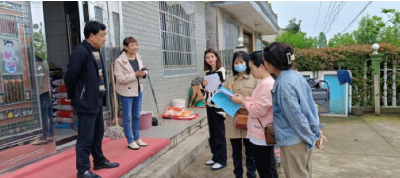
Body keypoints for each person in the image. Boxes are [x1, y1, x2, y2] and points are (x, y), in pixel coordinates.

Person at [262, 42, 327, 178]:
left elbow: (296, 118)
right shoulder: (296, 76)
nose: (264, 63)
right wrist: (315, 133)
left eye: (265, 61)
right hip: (303, 138)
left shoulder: (283, 83)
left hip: (294, 141)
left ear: (272, 63)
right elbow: (310, 108)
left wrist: (312, 136)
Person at [64, 21, 119, 178]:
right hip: (86, 102)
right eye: (102, 36)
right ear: (91, 36)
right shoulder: (80, 52)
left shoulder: (95, 51)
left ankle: (99, 160)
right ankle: (83, 170)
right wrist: (76, 97)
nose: (104, 39)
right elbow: (70, 78)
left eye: (105, 36)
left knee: (97, 134)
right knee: (85, 137)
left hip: (96, 100)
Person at [231, 51, 278, 178]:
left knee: (265, 170)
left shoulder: (267, 84)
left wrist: (242, 102)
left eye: (251, 68)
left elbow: (258, 110)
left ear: (261, 67)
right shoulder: (265, 82)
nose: (250, 71)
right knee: (269, 167)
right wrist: (246, 99)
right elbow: (259, 102)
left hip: (262, 134)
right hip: (263, 132)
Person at [223, 51, 257, 178]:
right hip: (233, 119)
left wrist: (243, 101)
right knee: (236, 152)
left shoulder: (255, 79)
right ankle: (238, 175)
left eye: (241, 62)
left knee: (251, 152)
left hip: (249, 119)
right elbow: (224, 98)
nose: (239, 65)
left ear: (247, 63)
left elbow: (259, 99)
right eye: (236, 62)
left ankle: (251, 174)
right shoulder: (229, 80)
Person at [114, 37, 147, 150]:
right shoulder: (119, 61)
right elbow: (120, 78)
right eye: (132, 45)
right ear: (125, 47)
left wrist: (144, 73)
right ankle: (130, 140)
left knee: (136, 115)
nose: (135, 47)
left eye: (136, 45)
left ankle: (137, 138)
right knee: (127, 117)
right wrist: (135, 75)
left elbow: (142, 69)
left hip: (138, 90)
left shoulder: (138, 57)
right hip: (126, 92)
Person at [201, 48, 227, 171]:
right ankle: (215, 156)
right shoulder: (207, 74)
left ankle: (222, 160)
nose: (210, 59)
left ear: (216, 57)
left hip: (218, 106)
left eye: (212, 56)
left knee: (219, 134)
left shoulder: (221, 71)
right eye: (207, 57)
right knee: (212, 133)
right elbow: (204, 91)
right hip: (209, 105)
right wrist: (203, 85)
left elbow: (222, 87)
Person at [32, 56, 53, 145]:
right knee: (49, 114)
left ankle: (43, 137)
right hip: (47, 91)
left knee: (42, 116)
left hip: (41, 92)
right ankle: (50, 134)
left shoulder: (35, 64)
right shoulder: (44, 63)